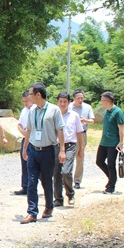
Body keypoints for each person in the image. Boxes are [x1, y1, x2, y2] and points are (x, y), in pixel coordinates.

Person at [20, 82, 65, 224]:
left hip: (48, 151)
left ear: (38, 95)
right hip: (33, 150)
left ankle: (49, 206)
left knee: (46, 181)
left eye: (31, 94)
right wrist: (25, 148)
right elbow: (29, 130)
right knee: (31, 181)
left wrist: (62, 150)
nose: (29, 97)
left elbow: (60, 130)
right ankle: (32, 212)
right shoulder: (32, 110)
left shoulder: (54, 110)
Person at [53, 92, 84, 207]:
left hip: (70, 146)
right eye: (60, 101)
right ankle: (58, 198)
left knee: (66, 171)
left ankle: (70, 194)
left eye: (65, 101)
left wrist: (81, 148)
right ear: (57, 102)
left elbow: (79, 132)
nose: (62, 104)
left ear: (69, 102)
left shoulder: (74, 115)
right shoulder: (54, 115)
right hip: (56, 145)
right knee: (56, 172)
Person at [96, 91, 124, 194]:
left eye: (102, 100)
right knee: (99, 161)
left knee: (110, 164)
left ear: (107, 101)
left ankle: (111, 186)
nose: (101, 102)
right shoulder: (105, 112)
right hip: (104, 141)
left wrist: (121, 143)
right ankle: (112, 178)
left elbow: (121, 128)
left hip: (113, 143)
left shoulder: (117, 112)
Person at [70, 89, 95, 189]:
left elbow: (92, 121)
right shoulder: (69, 107)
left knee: (80, 157)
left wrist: (84, 120)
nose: (80, 100)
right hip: (71, 134)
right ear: (74, 98)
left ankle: (77, 181)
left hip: (82, 134)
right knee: (68, 157)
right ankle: (65, 179)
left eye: (82, 98)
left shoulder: (87, 107)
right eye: (78, 98)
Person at [14, 91, 33, 195]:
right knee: (24, 162)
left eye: (27, 101)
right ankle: (25, 186)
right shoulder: (24, 111)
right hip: (25, 138)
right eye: (24, 101)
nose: (26, 103)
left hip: (34, 139)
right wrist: (23, 132)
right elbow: (19, 124)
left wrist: (28, 134)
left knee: (34, 163)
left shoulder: (35, 110)